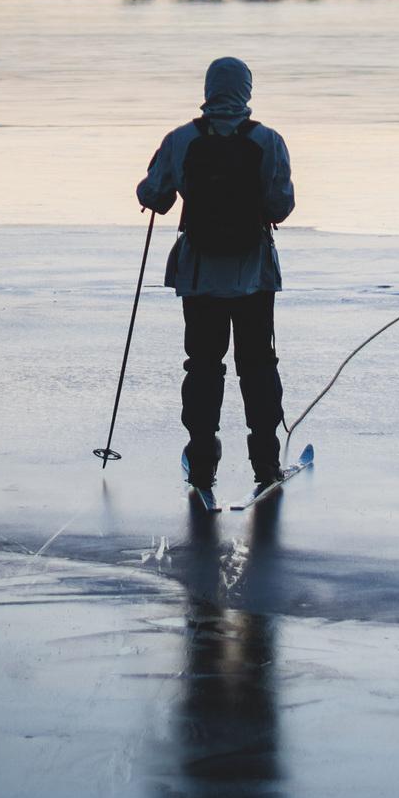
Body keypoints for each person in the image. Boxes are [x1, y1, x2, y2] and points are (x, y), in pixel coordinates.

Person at [137, 56, 295, 495]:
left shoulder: (181, 139)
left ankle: (203, 461)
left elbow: (156, 195)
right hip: (253, 274)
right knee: (258, 364)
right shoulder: (268, 140)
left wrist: (153, 192)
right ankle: (265, 461)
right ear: (246, 90)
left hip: (200, 272)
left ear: (209, 89)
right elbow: (280, 205)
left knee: (204, 365)